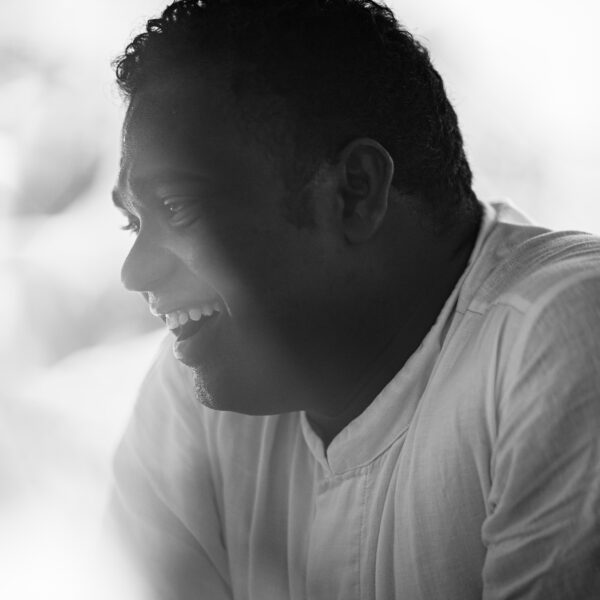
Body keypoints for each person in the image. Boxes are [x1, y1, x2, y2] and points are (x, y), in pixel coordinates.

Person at [107, 1, 600, 598]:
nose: (135, 274)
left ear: (354, 193)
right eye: (133, 225)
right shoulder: (188, 396)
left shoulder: (562, 331)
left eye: (179, 208)